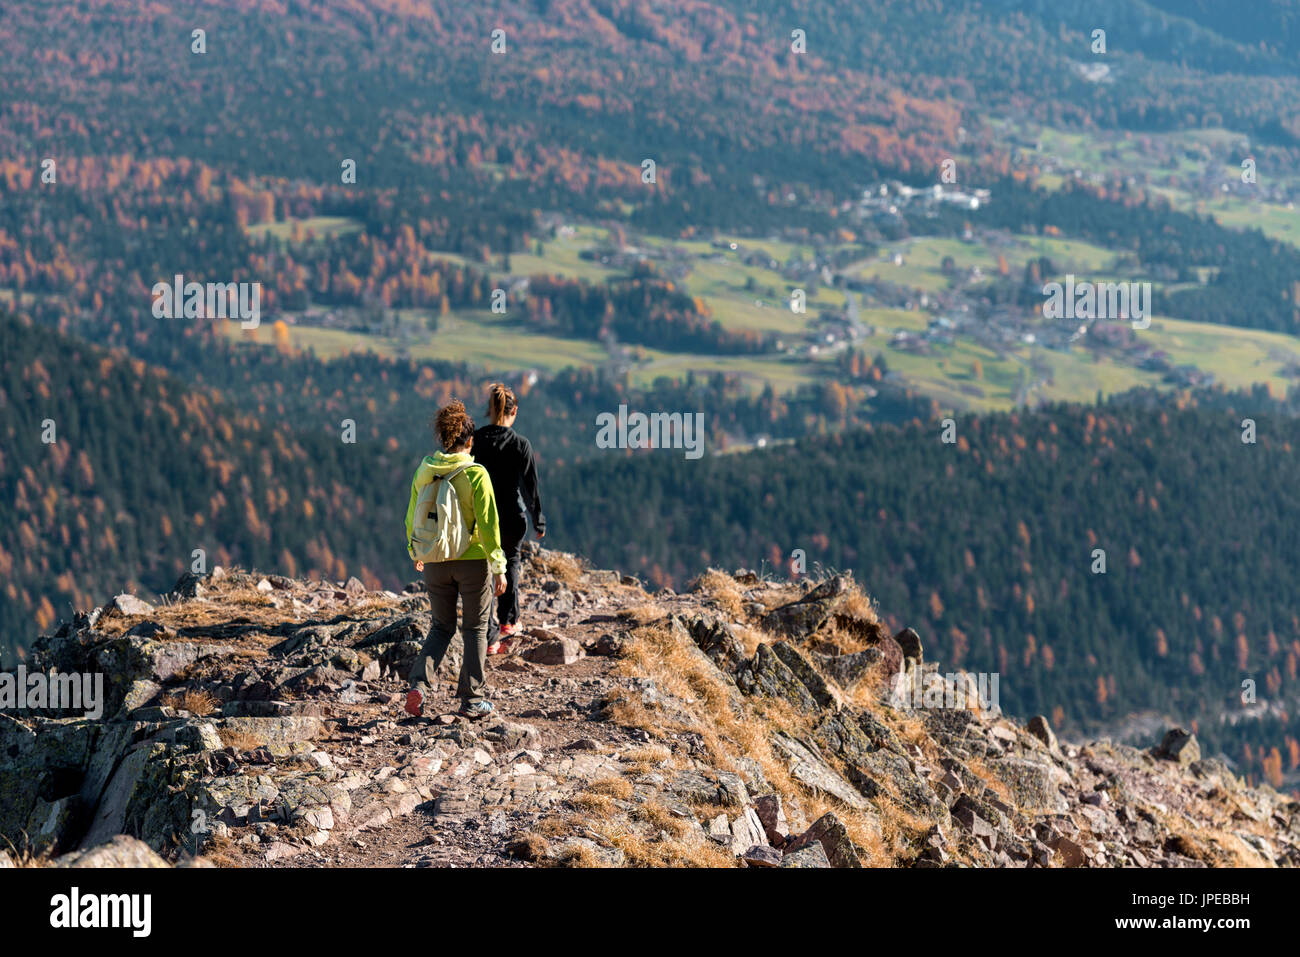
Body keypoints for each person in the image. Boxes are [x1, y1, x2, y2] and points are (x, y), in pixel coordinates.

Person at [403, 399, 507, 720]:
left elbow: (412, 516)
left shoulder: (425, 470)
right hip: (472, 560)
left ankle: (419, 685)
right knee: (475, 628)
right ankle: (471, 699)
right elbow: (489, 525)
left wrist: (416, 551)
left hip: (434, 559)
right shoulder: (476, 474)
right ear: (470, 441)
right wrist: (499, 566)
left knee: (441, 626)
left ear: (443, 438)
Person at [472, 382, 546, 654]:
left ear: (489, 410)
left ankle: (488, 634)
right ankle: (508, 622)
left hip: (481, 516)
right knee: (510, 560)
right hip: (513, 516)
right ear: (514, 412)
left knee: (483, 568)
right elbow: (531, 487)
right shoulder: (520, 444)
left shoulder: (475, 440)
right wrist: (539, 520)